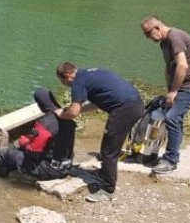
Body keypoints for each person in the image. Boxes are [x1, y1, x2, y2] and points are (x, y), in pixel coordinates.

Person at [55, 62, 144, 202]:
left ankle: (108, 189)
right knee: (109, 145)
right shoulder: (90, 73)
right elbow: (97, 103)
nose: (64, 85)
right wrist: (78, 110)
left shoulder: (77, 81)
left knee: (109, 151)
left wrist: (60, 114)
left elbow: (73, 112)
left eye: (62, 82)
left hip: (124, 109)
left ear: (67, 76)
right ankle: (104, 172)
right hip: (134, 104)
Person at [140, 16, 190, 174]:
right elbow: (170, 67)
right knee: (164, 115)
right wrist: (169, 91)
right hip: (181, 86)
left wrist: (174, 91)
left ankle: (171, 160)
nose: (148, 38)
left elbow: (182, 65)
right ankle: (155, 154)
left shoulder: (174, 36)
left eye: (148, 33)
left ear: (157, 28)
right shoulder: (164, 42)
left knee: (172, 118)